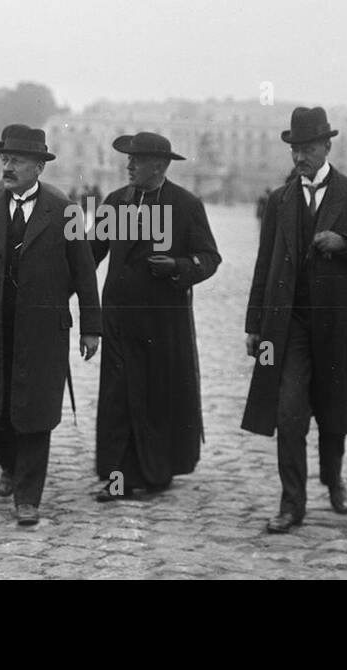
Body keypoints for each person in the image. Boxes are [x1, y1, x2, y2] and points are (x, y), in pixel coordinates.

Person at [242, 106, 347, 534]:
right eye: (294, 149)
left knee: (334, 410)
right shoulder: (280, 200)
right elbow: (264, 264)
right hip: (290, 327)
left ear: (327, 146)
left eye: (307, 148)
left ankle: (333, 480)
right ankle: (292, 503)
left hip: (339, 324)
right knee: (289, 413)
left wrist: (344, 243)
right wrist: (255, 323)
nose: (299, 157)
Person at [0, 124, 101, 526]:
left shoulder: (64, 209)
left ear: (38, 166)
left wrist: (90, 327)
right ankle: (11, 466)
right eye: (4, 159)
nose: (7, 166)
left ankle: (28, 497)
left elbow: (84, 272)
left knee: (34, 410)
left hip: (42, 329)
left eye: (15, 160)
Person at [90, 132, 220, 501]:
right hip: (118, 318)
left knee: (158, 396)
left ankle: (157, 471)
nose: (128, 165)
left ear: (159, 166)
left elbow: (209, 258)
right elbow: (90, 253)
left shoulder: (186, 205)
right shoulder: (115, 203)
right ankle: (117, 479)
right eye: (128, 159)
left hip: (165, 323)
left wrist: (178, 266)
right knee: (118, 398)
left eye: (136, 160)